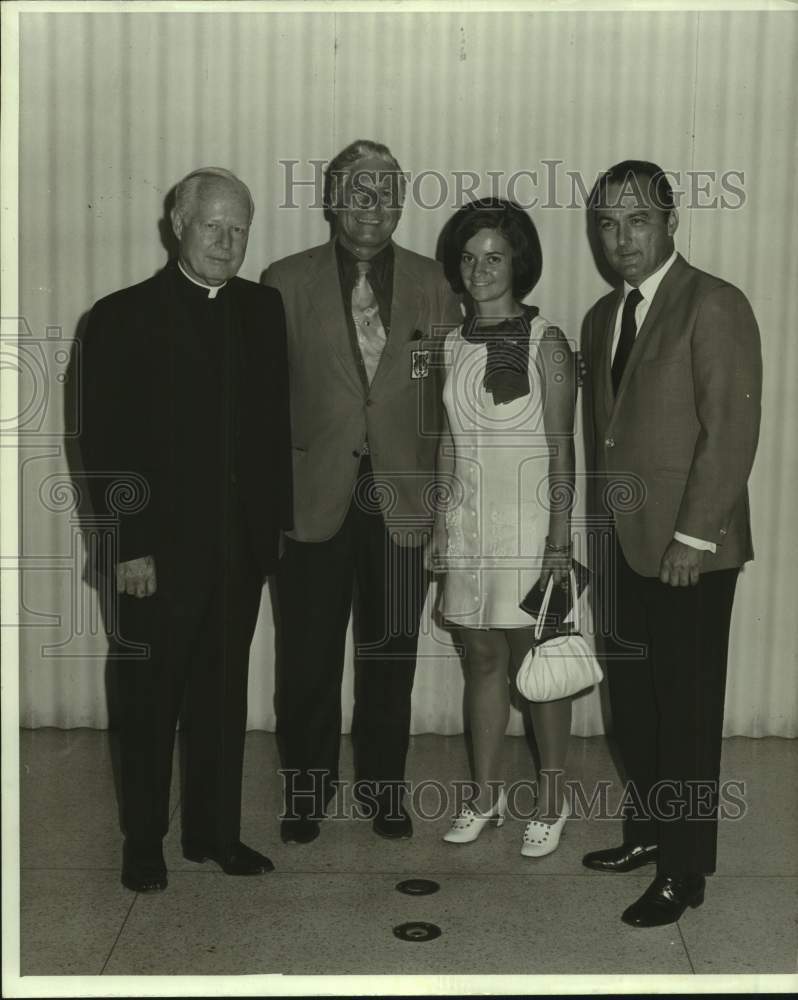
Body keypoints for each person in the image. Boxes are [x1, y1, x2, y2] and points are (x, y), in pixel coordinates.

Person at [81, 168, 292, 892]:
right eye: (213, 226)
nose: (227, 243)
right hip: (155, 556)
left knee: (222, 696)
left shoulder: (265, 310)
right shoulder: (120, 315)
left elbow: (272, 434)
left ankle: (214, 833)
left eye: (240, 229)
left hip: (239, 553)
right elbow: (102, 442)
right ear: (178, 223)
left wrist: (274, 536)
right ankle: (144, 840)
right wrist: (128, 544)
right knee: (146, 697)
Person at [262, 139, 462, 844]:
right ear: (331, 199)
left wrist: (447, 505)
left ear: (402, 203)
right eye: (359, 191)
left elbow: (446, 403)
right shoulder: (282, 281)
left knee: (391, 653)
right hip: (311, 499)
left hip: (402, 501)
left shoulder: (437, 283)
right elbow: (262, 401)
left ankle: (385, 790)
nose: (373, 206)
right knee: (306, 655)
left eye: (386, 192)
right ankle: (306, 794)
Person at [581, 160, 761, 926]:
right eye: (609, 224)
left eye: (638, 221)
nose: (622, 238)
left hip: (690, 550)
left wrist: (693, 535)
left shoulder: (713, 303)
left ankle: (684, 873)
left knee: (685, 713)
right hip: (623, 544)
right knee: (636, 709)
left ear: (671, 220)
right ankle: (650, 834)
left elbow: (731, 431)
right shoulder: (600, 318)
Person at [432, 198, 577, 857]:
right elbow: (449, 442)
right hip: (469, 531)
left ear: (518, 263)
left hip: (530, 532)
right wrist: (440, 523)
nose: (479, 270)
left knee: (537, 664)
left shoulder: (548, 341)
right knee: (482, 660)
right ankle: (484, 797)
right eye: (469, 259)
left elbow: (562, 450)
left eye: (493, 257)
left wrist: (559, 543)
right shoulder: (452, 343)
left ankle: (552, 799)